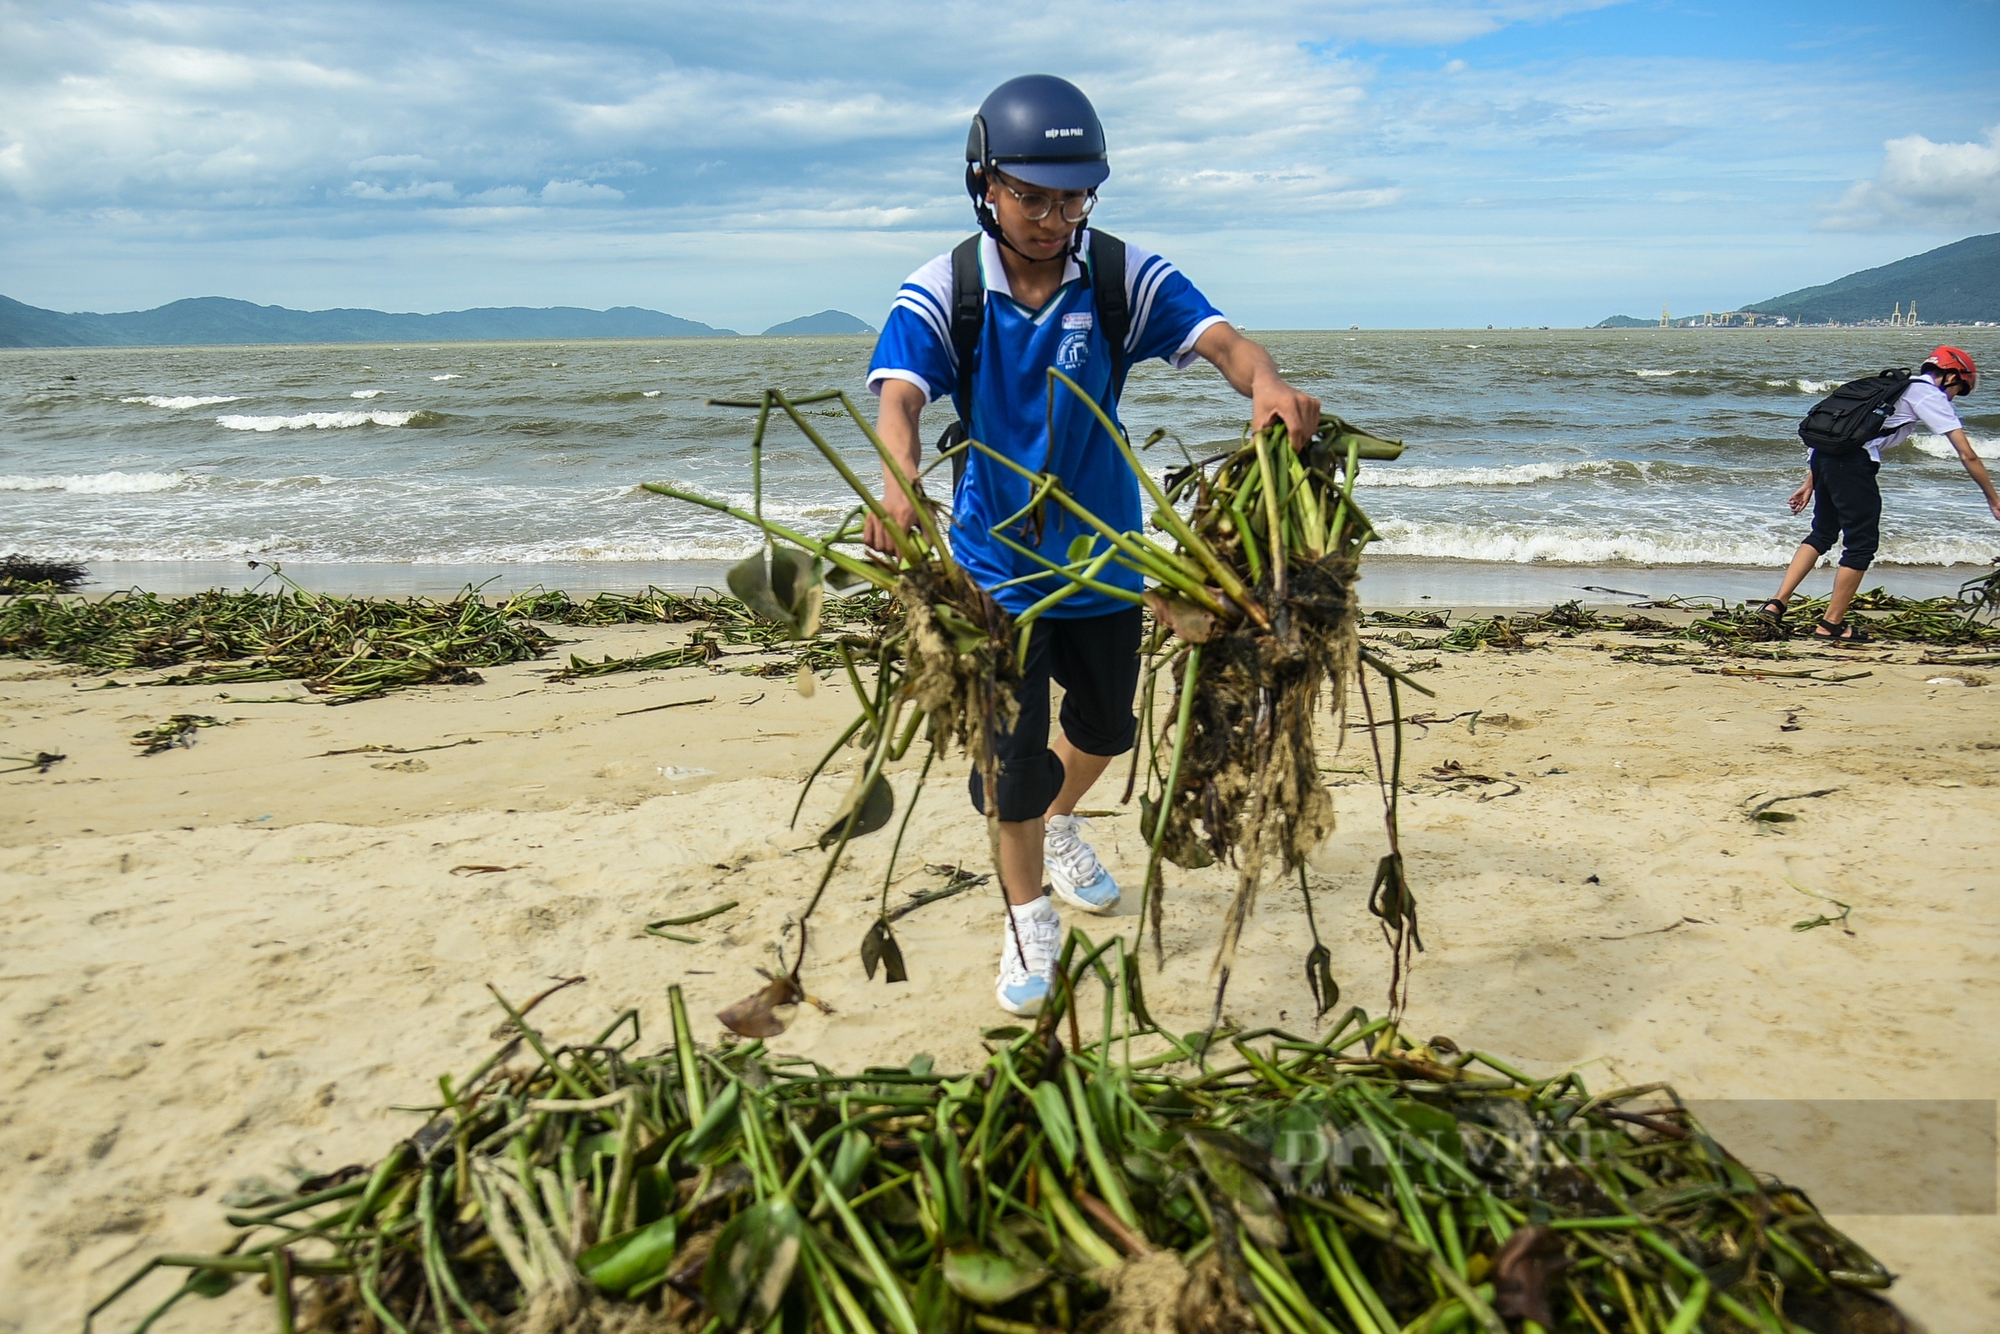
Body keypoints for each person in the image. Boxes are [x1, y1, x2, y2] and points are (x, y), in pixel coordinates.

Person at [863, 74, 1322, 1015]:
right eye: (1032, 194)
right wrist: (898, 479)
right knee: (1013, 764)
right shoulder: (947, 288)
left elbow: (1221, 341)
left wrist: (1267, 383)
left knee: (1107, 728)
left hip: (1111, 555)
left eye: (1072, 194)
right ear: (985, 185)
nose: (1053, 214)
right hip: (1000, 568)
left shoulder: (1116, 273)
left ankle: (1055, 823)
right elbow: (901, 396)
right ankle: (1028, 918)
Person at [1760, 346, 1996, 641]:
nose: (1953, 397)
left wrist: (1812, 479)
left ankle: (1776, 604)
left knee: (1822, 534)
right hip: (1852, 464)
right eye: (1958, 390)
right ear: (1950, 376)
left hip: (1825, 457)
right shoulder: (1928, 394)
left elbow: (1837, 434)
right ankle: (1831, 624)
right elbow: (1967, 454)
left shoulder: (1895, 388)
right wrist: (1993, 499)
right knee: (1861, 545)